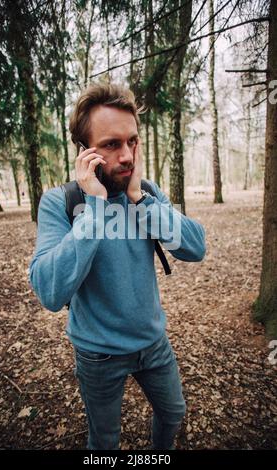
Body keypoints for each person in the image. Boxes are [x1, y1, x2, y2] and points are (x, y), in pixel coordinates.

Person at [29, 82, 206, 450]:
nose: (127, 156)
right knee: (105, 440)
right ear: (85, 151)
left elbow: (195, 247)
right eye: (112, 144)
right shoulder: (60, 202)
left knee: (173, 414)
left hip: (153, 343)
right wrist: (94, 210)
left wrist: (141, 200)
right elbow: (49, 290)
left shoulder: (146, 192)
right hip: (98, 353)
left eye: (132, 141)